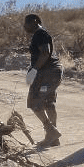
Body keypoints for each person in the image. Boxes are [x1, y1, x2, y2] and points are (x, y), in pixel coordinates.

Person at [22, 13, 63, 147]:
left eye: (26, 23)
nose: (24, 26)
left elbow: (45, 53)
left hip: (47, 74)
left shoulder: (39, 34)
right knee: (48, 102)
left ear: (34, 21)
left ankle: (51, 131)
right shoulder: (42, 33)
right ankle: (53, 138)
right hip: (53, 73)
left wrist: (34, 70)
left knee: (34, 102)